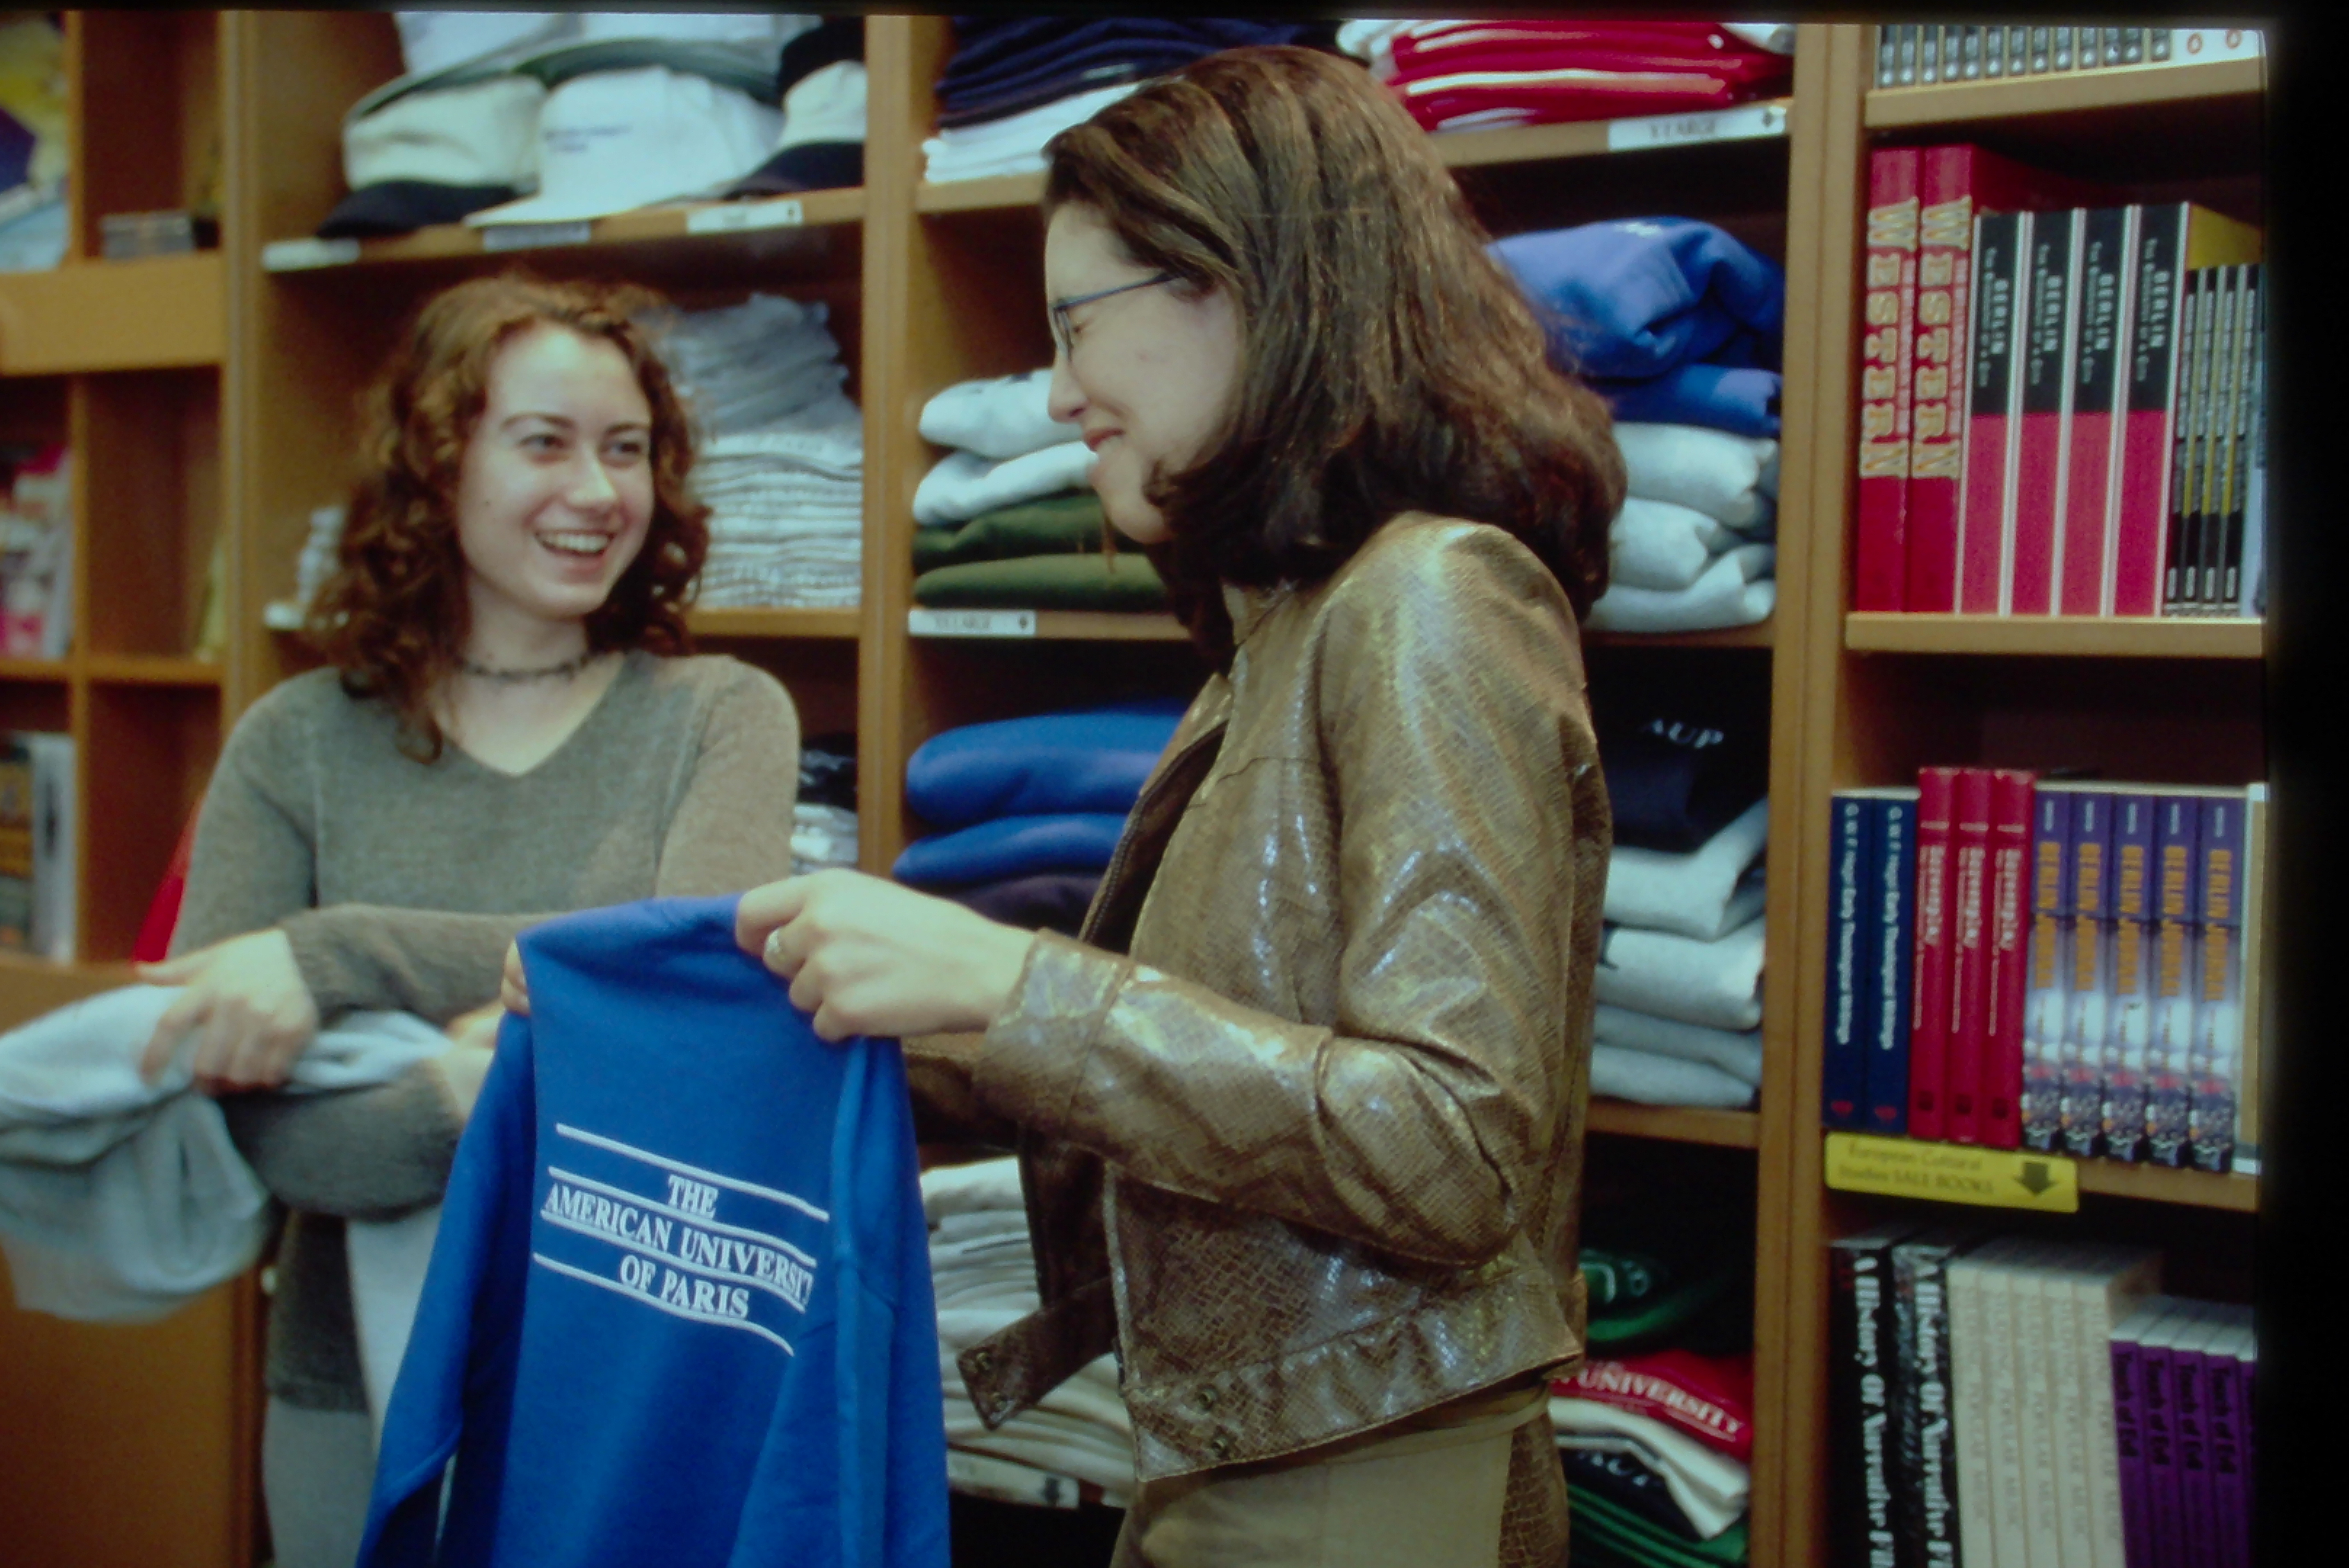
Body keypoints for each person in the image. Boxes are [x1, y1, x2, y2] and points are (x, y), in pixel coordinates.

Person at [723, 46, 1624, 1568]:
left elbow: (1457, 1144)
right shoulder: (1285, 637)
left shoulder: (1430, 597)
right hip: (1281, 1443)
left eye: (1078, 324)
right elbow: (1208, 1057)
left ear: (1243, 286)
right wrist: (775, 995)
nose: (1060, 392)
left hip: (1359, 1470)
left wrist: (1013, 984)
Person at [138, 273, 802, 1568]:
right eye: (544, 443)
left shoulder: (723, 716)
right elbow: (269, 1137)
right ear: (438, 466)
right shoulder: (294, 743)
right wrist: (477, 1085)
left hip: (628, 1380)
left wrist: (334, 959)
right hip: (350, 1392)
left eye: (627, 450)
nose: (598, 492)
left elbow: (687, 990)